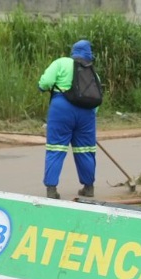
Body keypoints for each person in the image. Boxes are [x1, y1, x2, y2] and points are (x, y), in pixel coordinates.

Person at [38, 40, 98, 200]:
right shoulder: (90, 70)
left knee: (56, 148)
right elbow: (96, 99)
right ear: (89, 53)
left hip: (61, 110)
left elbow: (45, 83)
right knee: (86, 150)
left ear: (73, 51)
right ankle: (88, 187)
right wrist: (89, 117)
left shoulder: (61, 63)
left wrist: (42, 87)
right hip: (87, 114)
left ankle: (52, 190)